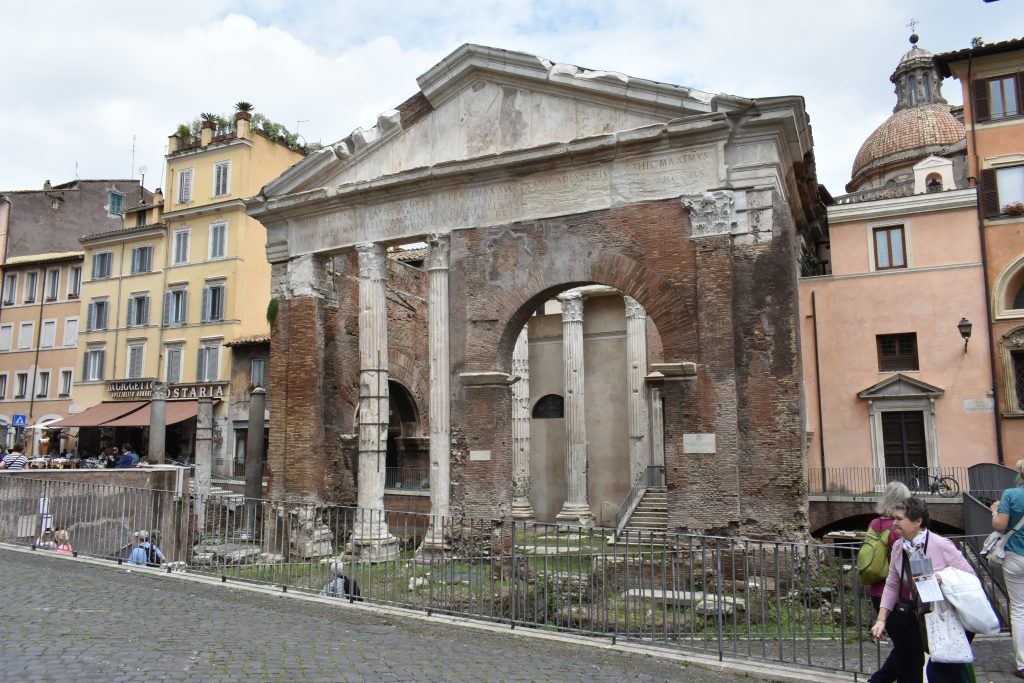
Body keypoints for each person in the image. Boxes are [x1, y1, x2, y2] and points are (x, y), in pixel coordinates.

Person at [870, 496, 976, 683]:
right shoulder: (898, 547)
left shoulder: (941, 545)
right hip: (916, 617)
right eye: (894, 518)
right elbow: (892, 583)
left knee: (944, 672)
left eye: (899, 519)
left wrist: (943, 577)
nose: (894, 523)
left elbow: (970, 577)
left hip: (945, 619)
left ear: (918, 521)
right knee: (909, 664)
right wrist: (881, 619)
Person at [866, 481, 910, 683]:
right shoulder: (897, 529)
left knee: (903, 645)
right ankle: (878, 680)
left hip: (876, 591)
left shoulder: (874, 524)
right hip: (897, 594)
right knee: (907, 647)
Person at [992, 458, 1024, 679]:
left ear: (1021, 474)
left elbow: (1000, 526)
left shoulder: (1011, 495)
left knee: (1020, 609)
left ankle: (1023, 664)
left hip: (1015, 556)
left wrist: (994, 511)